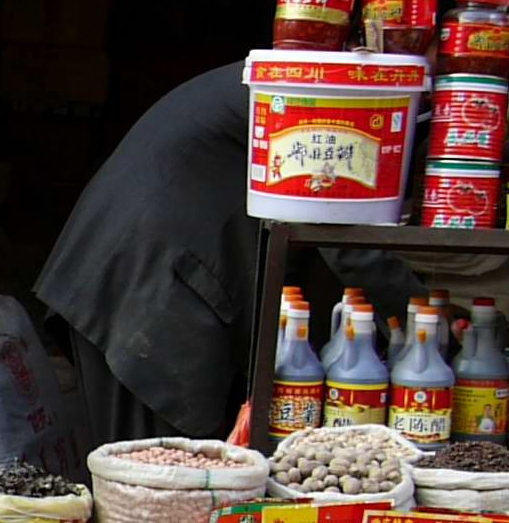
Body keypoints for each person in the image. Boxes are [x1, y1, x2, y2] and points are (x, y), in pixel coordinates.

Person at [36, 61, 414, 442]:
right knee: (151, 477)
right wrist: (427, 321)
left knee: (154, 473)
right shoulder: (322, 92)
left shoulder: (298, 82)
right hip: (145, 282)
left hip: (146, 274)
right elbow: (346, 239)